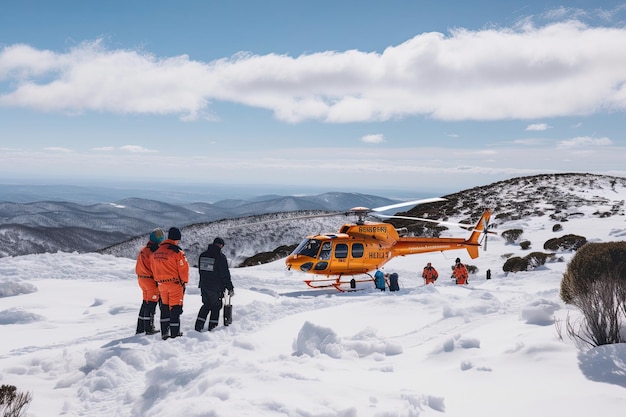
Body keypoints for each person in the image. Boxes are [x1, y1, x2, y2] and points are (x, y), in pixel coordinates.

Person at [152, 227, 189, 340]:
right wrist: (184, 282)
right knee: (175, 309)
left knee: (165, 308)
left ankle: (164, 333)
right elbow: (184, 270)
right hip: (174, 285)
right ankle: (174, 334)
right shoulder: (177, 252)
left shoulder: (157, 252)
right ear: (177, 238)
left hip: (161, 285)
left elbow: (153, 269)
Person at [195, 237, 235, 332]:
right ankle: (212, 328)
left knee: (206, 305)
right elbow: (224, 274)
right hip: (216, 288)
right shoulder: (220, 257)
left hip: (204, 286)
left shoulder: (203, 255)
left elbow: (201, 271)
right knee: (216, 307)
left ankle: (198, 326)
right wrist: (230, 287)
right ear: (221, 245)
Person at [135, 228, 165, 335]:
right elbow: (156, 268)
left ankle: (140, 328)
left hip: (142, 279)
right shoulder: (154, 252)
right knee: (151, 305)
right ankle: (149, 328)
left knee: (145, 303)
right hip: (150, 281)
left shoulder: (144, 250)